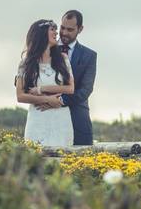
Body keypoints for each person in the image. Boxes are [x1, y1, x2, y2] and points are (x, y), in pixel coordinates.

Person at [38, 9, 97, 145]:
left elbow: (86, 90)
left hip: (78, 121)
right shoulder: (44, 49)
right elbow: (26, 75)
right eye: (62, 28)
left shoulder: (89, 56)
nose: (64, 33)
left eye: (70, 30)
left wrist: (60, 100)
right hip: (46, 118)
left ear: (80, 29)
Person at [15, 19, 74, 146]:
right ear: (41, 33)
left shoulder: (63, 59)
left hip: (61, 120)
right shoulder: (26, 63)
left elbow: (70, 88)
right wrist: (48, 100)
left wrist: (40, 90)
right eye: (52, 29)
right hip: (37, 119)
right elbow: (20, 96)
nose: (56, 33)